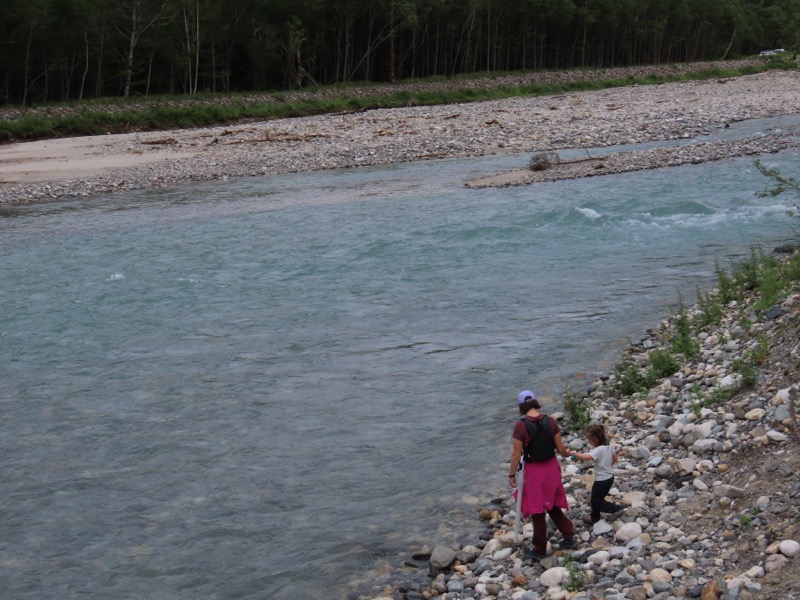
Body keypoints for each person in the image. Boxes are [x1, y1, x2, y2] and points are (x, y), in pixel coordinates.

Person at [508, 390, 577, 559]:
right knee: (552, 504)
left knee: (537, 509)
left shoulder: (521, 425)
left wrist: (511, 475)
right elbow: (560, 448)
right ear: (536, 403)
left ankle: (539, 549)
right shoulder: (551, 421)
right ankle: (569, 536)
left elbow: (516, 454)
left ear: (521, 406)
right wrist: (568, 453)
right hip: (552, 468)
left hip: (535, 471)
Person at [570, 423, 624, 524]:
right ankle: (594, 517)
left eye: (589, 440)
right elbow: (615, 458)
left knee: (596, 500)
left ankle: (616, 509)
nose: (588, 442)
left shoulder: (599, 449)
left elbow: (587, 457)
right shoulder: (608, 447)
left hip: (602, 480)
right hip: (609, 477)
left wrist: (574, 454)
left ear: (595, 439)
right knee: (596, 498)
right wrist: (607, 465)